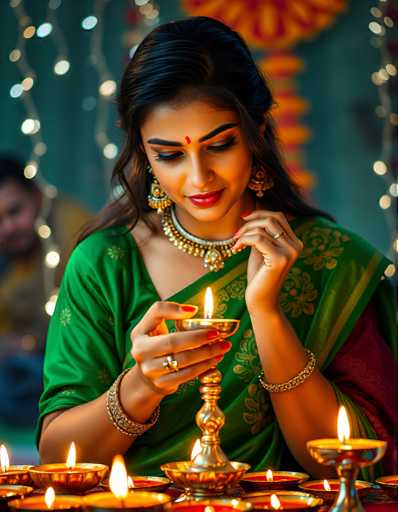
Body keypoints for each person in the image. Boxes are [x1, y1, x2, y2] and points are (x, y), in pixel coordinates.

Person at [37, 17, 397, 479]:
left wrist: (267, 314)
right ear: (141, 151)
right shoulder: (106, 263)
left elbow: (357, 466)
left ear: (258, 131)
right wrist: (141, 386)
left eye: (220, 145)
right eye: (169, 154)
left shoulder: (331, 262)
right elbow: (57, 460)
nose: (198, 177)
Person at [0, 156, 91, 428]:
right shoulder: (15, 245)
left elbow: (83, 334)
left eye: (14, 211)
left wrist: (26, 342)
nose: (7, 228)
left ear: (38, 195)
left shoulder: (75, 236)